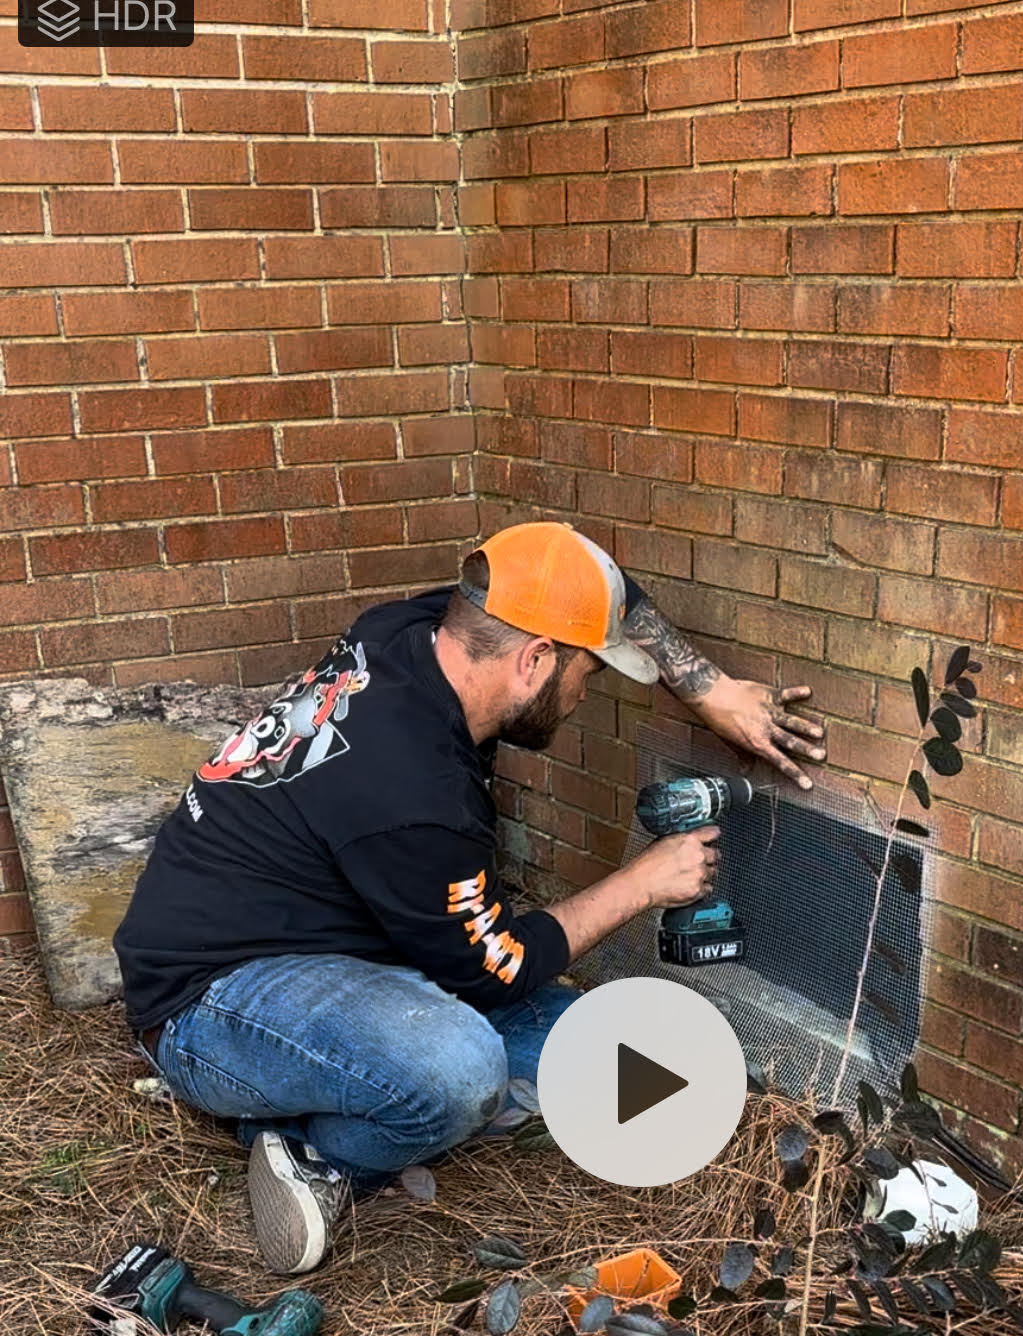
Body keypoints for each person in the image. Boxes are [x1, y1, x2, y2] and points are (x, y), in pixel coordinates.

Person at [114, 522, 828, 1274]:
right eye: (590, 672)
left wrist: (708, 689)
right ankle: (314, 1153)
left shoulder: (421, 630)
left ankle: (325, 1087)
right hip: (209, 999)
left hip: (339, 946)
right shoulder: (418, 792)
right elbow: (498, 968)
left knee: (591, 1052)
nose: (588, 693)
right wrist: (643, 882)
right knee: (463, 1073)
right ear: (535, 660)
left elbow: (592, 575)